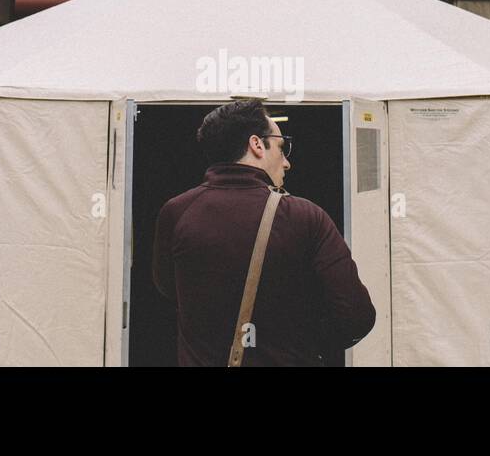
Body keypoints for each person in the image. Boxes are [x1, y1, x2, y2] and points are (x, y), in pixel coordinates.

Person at [152, 99, 376, 366]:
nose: (286, 162)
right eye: (282, 148)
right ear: (257, 145)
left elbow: (168, 288)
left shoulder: (176, 212)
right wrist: (302, 344)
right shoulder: (306, 217)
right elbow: (356, 315)